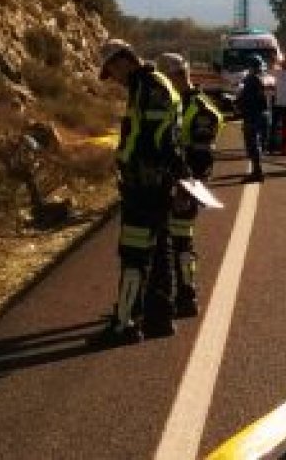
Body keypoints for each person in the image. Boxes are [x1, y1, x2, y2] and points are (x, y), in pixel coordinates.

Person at [95, 39, 190, 344]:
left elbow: (155, 142)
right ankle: (159, 318)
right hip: (153, 183)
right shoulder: (151, 85)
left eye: (112, 70)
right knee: (160, 249)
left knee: (134, 254)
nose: (115, 80)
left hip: (145, 187)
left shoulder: (148, 88)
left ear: (123, 60)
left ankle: (124, 325)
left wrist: (169, 174)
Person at [156, 53, 224, 318]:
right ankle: (169, 294)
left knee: (182, 241)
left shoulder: (201, 109)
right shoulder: (172, 103)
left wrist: (186, 188)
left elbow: (201, 155)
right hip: (169, 183)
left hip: (186, 185)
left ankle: (187, 294)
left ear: (176, 76)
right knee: (169, 241)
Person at [235, 55, 270, 182]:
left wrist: (237, 103)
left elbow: (244, 97)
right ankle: (258, 171)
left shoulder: (250, 79)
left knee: (252, 144)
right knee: (260, 143)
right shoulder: (266, 77)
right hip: (264, 114)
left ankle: (257, 172)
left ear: (251, 66)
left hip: (252, 114)